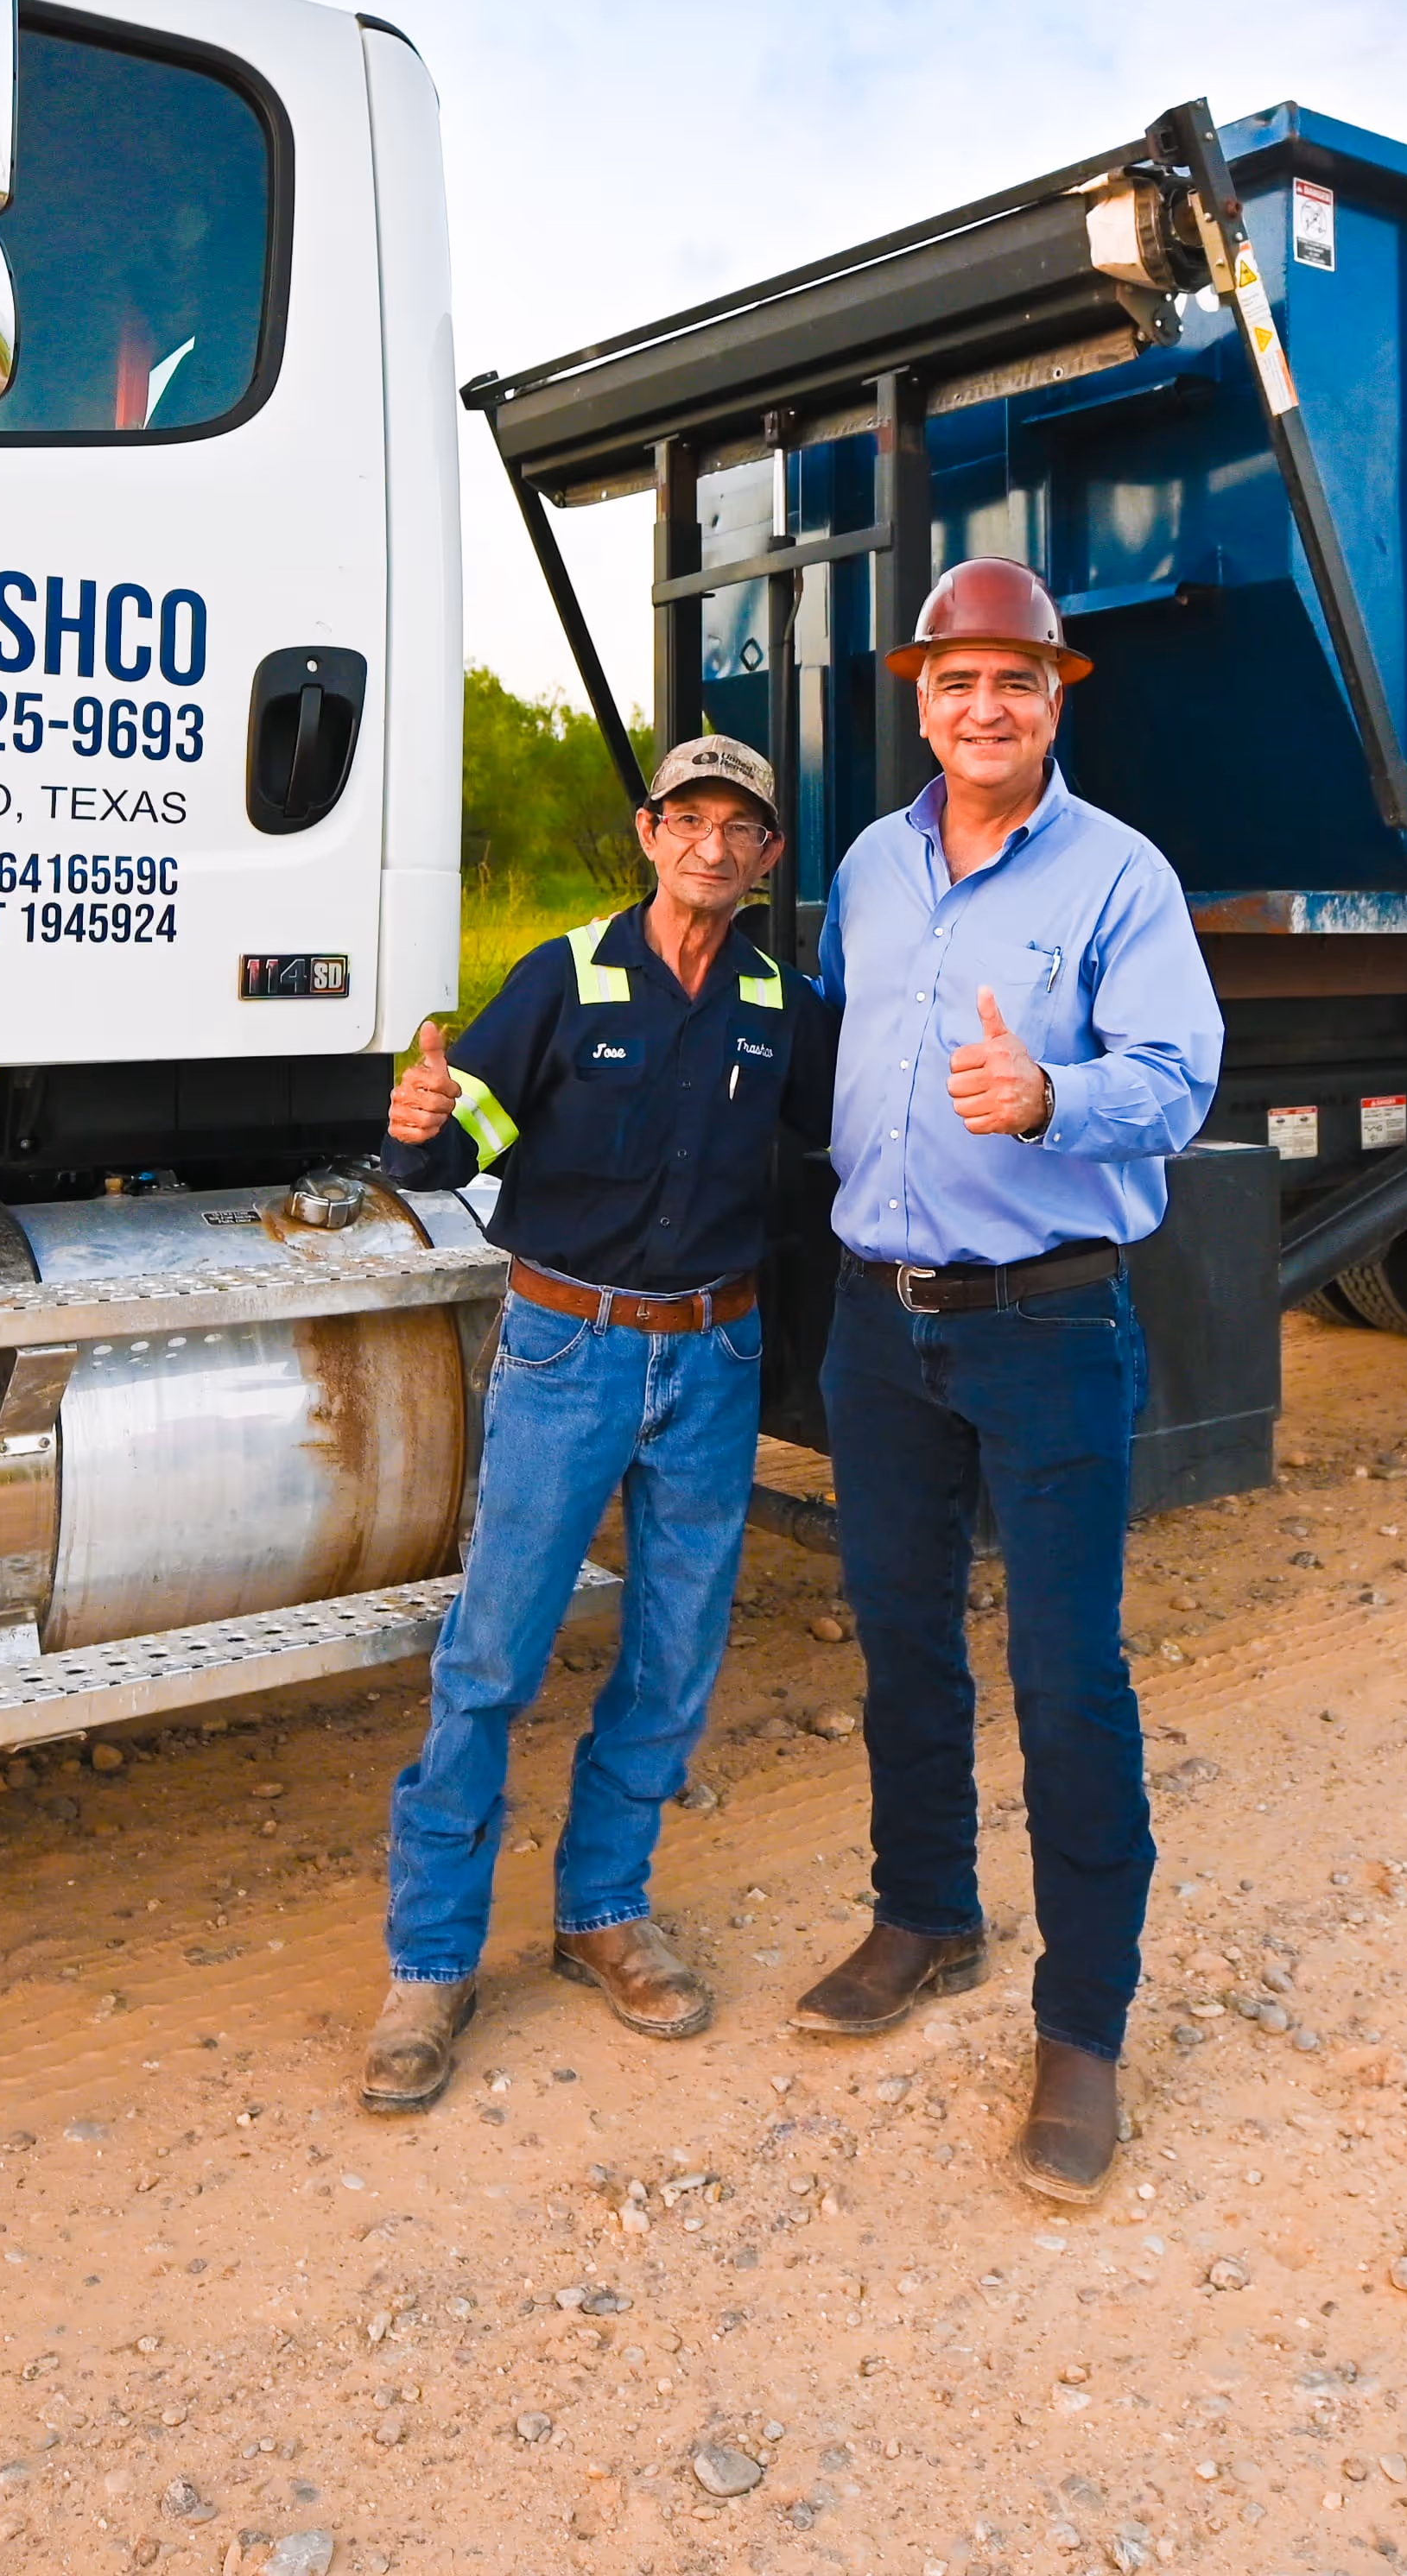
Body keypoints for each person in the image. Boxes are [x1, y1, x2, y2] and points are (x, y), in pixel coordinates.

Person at [789, 556, 1223, 2203]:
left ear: (1056, 703)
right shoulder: (870, 868)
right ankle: (924, 1917)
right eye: (959, 682)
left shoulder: (1122, 878)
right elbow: (840, 1038)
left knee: (1066, 1678)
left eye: (1017, 684)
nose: (986, 708)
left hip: (1045, 1325)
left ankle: (1085, 2030)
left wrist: (1047, 1098)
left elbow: (1178, 1077)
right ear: (922, 699)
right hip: (877, 1320)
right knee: (901, 1641)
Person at [358, 731, 827, 2112]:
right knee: (493, 1656)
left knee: (675, 1651)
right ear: (649, 831)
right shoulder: (568, 976)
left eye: (741, 827)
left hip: (714, 1356)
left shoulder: (777, 999)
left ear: (766, 858)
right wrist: (422, 1124)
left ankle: (603, 1913)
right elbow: (464, 1135)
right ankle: (432, 1963)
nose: (713, 845)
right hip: (569, 1350)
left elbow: (851, 1133)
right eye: (690, 818)